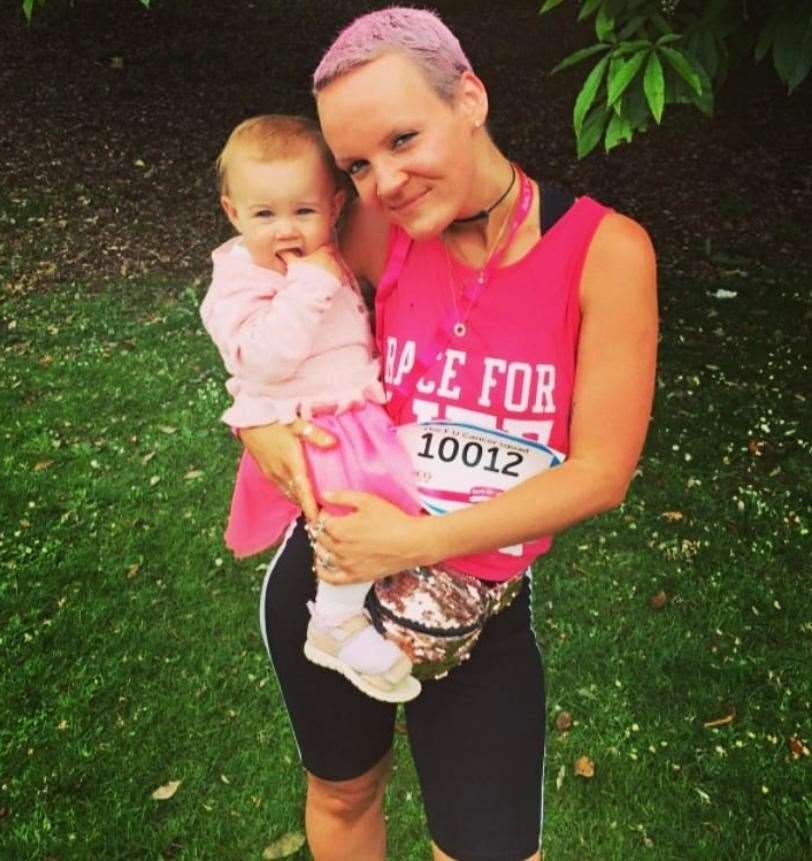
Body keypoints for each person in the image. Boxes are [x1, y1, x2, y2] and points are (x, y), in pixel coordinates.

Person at [238, 8, 658, 861]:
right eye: (356, 164)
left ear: (469, 96)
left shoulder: (605, 251)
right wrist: (262, 438)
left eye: (402, 139)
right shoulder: (373, 230)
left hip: (481, 609)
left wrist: (420, 538)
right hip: (331, 578)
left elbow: (601, 471)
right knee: (346, 790)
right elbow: (255, 337)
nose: (383, 181)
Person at [200, 114, 422, 703]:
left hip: (353, 410)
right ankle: (335, 620)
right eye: (263, 215)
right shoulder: (239, 281)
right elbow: (261, 359)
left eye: (303, 211)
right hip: (310, 425)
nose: (285, 231)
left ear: (334, 206)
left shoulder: (322, 257)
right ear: (232, 213)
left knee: (402, 491)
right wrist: (312, 282)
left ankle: (390, 598)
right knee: (356, 507)